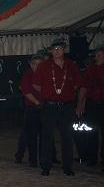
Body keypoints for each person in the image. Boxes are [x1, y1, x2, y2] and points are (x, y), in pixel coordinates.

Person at [34, 38, 84, 176]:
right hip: (49, 105)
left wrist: (68, 95)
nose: (57, 51)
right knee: (47, 136)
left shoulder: (71, 65)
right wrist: (49, 94)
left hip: (67, 105)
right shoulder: (44, 66)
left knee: (67, 136)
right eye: (54, 49)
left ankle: (67, 166)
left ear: (64, 50)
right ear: (51, 51)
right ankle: (46, 166)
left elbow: (77, 84)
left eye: (60, 48)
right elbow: (36, 85)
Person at [14, 54, 43, 167]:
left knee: (43, 135)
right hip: (32, 108)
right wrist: (37, 102)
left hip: (44, 107)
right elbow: (25, 91)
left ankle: (45, 158)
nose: (36, 66)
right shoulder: (28, 74)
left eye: (39, 64)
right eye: (34, 63)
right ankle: (30, 159)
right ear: (30, 64)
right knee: (29, 135)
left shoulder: (46, 74)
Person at [79, 43, 104, 168]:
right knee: (91, 131)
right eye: (96, 54)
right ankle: (92, 158)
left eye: (99, 54)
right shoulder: (90, 69)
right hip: (92, 104)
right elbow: (84, 88)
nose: (97, 56)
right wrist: (80, 103)